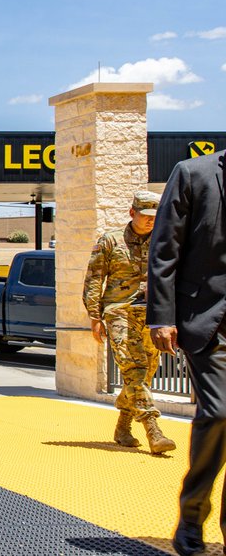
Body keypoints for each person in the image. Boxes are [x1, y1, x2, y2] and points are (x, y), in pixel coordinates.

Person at [147, 149, 226, 556]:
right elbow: (164, 249)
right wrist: (162, 316)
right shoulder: (194, 173)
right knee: (219, 413)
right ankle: (193, 514)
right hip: (208, 319)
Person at [84, 189, 175, 454]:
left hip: (152, 315)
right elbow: (93, 280)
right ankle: (153, 429)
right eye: (145, 216)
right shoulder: (110, 241)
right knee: (133, 369)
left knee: (145, 373)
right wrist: (94, 316)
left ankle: (123, 425)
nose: (150, 221)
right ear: (132, 213)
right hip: (118, 312)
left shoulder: (164, 242)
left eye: (154, 217)